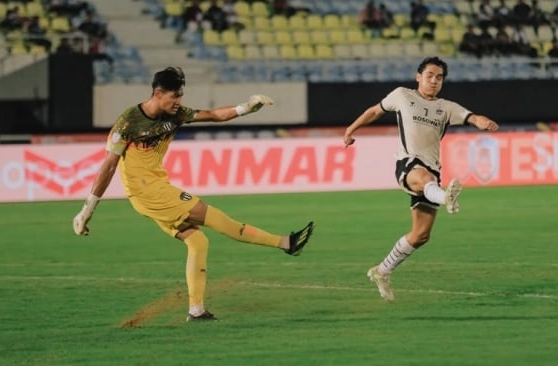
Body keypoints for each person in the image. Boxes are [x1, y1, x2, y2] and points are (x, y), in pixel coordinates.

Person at [72, 67, 315, 321]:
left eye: (181, 96)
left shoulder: (175, 114)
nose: (179, 102)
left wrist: (246, 107)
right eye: (174, 97)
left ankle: (196, 311)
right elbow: (109, 165)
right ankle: (285, 243)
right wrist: (86, 211)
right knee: (219, 219)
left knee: (198, 242)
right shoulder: (128, 120)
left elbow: (212, 115)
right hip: (149, 192)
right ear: (158, 93)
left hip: (154, 191)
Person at [343, 57, 498, 301]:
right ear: (418, 77)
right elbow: (374, 111)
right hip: (408, 164)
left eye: (439, 78)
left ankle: (382, 271)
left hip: (432, 171)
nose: (434, 81)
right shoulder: (402, 95)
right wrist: (351, 130)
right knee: (424, 178)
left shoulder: (446, 107)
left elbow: (471, 116)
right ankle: (445, 195)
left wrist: (483, 122)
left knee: (421, 235)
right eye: (430, 76)